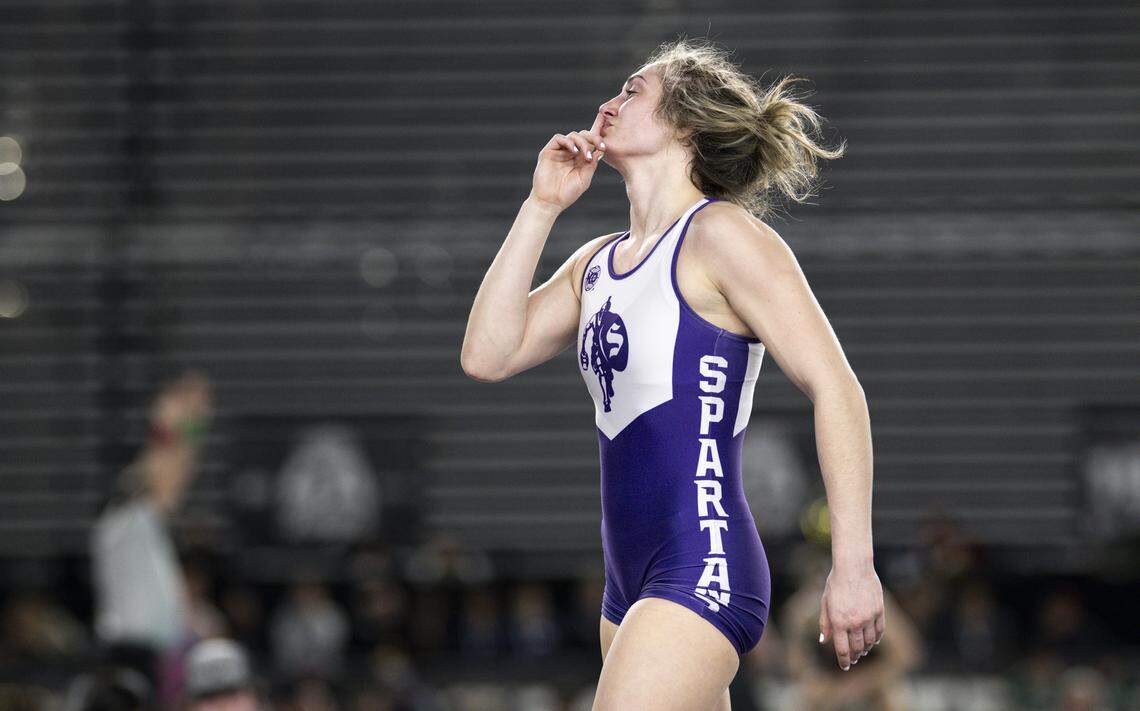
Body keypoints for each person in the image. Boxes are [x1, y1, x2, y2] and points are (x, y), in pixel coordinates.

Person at [461, 37, 883, 709]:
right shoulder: (596, 262)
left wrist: (854, 565)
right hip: (625, 583)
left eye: (632, 91)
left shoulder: (721, 235)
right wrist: (541, 207)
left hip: (701, 563)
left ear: (684, 124)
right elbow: (487, 354)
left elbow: (837, 387)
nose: (608, 104)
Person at [90, 370, 214, 688]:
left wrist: (187, 425)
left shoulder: (139, 522)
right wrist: (182, 423)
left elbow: (171, 476)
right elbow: (167, 473)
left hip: (150, 648)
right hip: (131, 651)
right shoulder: (127, 522)